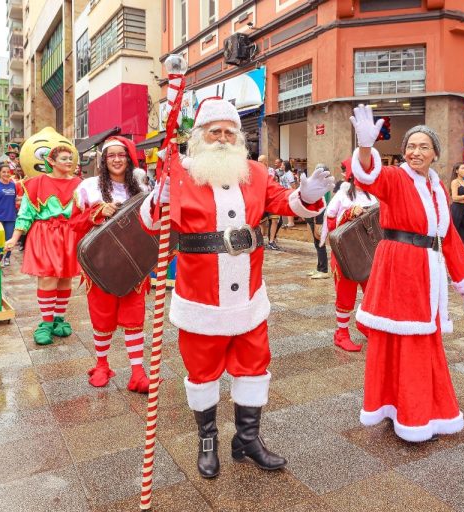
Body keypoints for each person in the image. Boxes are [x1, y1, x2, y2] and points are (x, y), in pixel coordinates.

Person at [139, 98, 333, 478]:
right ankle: (207, 440)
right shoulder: (180, 173)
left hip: (248, 298)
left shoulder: (256, 172)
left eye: (230, 131)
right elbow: (153, 225)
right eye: (215, 131)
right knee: (202, 373)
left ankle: (247, 440)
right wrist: (157, 201)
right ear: (200, 137)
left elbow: (284, 202)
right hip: (201, 300)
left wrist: (308, 196)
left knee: (254, 369)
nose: (224, 138)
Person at [349, 105, 464, 443]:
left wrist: (463, 281)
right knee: (406, 340)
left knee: (425, 340)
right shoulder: (395, 178)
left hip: (428, 274)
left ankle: (426, 411)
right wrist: (366, 147)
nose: (415, 152)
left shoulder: (437, 189)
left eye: (423, 146)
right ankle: (407, 413)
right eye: (410, 146)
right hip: (399, 270)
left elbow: (447, 237)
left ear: (436, 153)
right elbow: (369, 176)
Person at [71, 136, 150, 393]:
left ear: (129, 158)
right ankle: (102, 365)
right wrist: (97, 213)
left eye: (121, 155)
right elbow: (73, 224)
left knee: (134, 317)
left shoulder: (141, 188)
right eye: (111, 155)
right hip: (100, 264)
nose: (117, 159)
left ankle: (137, 373)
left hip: (134, 265)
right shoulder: (88, 188)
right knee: (102, 317)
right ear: (104, 160)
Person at [4, 145, 83, 345]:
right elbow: (25, 213)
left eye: (71, 158)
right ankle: (46, 322)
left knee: (66, 278)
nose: (69, 162)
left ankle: (59, 318)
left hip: (70, 234)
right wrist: (14, 238)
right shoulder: (36, 183)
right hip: (44, 234)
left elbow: (87, 211)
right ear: (52, 161)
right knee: (48, 278)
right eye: (64, 158)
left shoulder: (79, 184)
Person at [321, 158, 378, 351]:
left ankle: (364, 323)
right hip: (346, 254)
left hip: (369, 253)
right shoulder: (342, 196)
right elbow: (331, 227)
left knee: (372, 292)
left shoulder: (374, 195)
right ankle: (341, 333)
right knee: (345, 294)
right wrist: (349, 214)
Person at [301, 165, 331, 279]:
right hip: (314, 217)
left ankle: (323, 270)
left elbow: (320, 205)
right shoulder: (320, 184)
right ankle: (320, 267)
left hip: (318, 217)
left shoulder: (321, 185)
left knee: (320, 244)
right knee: (317, 244)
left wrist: (317, 222)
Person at [280, 161, 297, 228]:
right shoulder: (285, 173)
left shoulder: (289, 174)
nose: (281, 166)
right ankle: (289, 222)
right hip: (285, 192)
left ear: (286, 166)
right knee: (287, 207)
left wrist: (294, 192)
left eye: (282, 165)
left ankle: (291, 222)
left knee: (289, 207)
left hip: (289, 192)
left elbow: (293, 184)